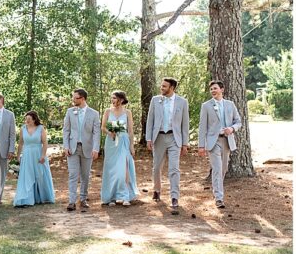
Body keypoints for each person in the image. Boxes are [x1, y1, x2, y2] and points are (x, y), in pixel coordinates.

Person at [146, 78, 190, 215]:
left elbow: (185, 124)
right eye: (161, 86)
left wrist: (185, 143)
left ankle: (174, 197)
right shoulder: (155, 100)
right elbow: (150, 120)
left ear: (172, 87)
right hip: (158, 137)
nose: (162, 88)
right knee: (157, 166)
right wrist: (148, 138)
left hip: (174, 138)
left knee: (174, 169)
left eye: (164, 86)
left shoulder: (182, 102)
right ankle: (157, 190)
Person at [198, 80, 242, 211]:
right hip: (213, 141)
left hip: (227, 141)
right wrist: (201, 146)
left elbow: (238, 121)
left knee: (223, 169)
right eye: (211, 89)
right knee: (217, 169)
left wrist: (232, 129)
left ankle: (218, 191)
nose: (212, 91)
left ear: (222, 90)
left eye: (215, 88)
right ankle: (219, 198)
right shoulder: (206, 106)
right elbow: (202, 127)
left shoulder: (230, 104)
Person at [62, 88, 100, 212]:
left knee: (85, 175)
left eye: (75, 97)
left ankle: (83, 199)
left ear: (82, 98)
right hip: (72, 148)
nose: (73, 100)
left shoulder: (94, 113)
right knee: (73, 174)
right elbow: (66, 130)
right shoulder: (69, 112)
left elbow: (96, 133)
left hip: (88, 149)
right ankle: (72, 201)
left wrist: (96, 148)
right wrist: (66, 146)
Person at [100, 91, 138, 207]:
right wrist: (109, 133)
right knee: (111, 170)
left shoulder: (127, 112)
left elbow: (130, 131)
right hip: (111, 143)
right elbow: (103, 127)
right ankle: (111, 197)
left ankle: (125, 196)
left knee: (123, 169)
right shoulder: (107, 111)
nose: (112, 100)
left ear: (121, 99)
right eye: (112, 98)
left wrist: (132, 146)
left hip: (123, 142)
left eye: (115, 98)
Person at [13, 111, 55, 207]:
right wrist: (18, 155)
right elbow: (20, 143)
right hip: (27, 154)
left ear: (34, 119)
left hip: (38, 153)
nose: (26, 121)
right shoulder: (23, 128)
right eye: (26, 119)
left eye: (29, 119)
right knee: (27, 176)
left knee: (40, 175)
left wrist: (43, 156)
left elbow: (45, 143)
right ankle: (27, 198)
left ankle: (42, 197)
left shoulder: (40, 128)